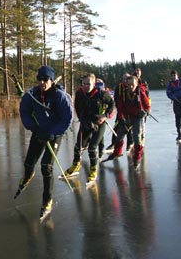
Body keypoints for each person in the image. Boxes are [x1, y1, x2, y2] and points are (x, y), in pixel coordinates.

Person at [17, 65, 73, 218]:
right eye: (40, 79)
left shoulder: (60, 96)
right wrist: (33, 127)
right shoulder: (32, 94)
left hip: (54, 134)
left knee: (46, 166)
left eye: (46, 79)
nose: (42, 82)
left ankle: (46, 200)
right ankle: (27, 176)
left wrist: (53, 132)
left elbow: (67, 118)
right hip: (38, 131)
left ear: (52, 80)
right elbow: (24, 111)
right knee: (28, 163)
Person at [63, 73, 114, 184]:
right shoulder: (80, 93)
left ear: (94, 83)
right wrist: (83, 120)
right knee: (78, 147)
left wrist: (105, 116)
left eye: (89, 84)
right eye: (84, 84)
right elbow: (77, 108)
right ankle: (76, 165)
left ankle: (93, 170)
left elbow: (111, 104)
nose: (86, 86)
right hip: (86, 123)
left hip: (99, 124)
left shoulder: (101, 94)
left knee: (92, 148)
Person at [103, 75, 151, 168]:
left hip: (137, 117)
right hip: (127, 116)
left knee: (136, 137)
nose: (131, 87)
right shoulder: (124, 94)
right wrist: (122, 118)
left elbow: (147, 105)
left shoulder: (140, 92)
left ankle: (137, 157)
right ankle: (117, 152)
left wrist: (146, 112)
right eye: (128, 85)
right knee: (120, 135)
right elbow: (120, 108)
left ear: (136, 84)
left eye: (132, 85)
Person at [166, 70, 181, 142]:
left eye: (174, 75)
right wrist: (173, 98)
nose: (173, 77)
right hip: (176, 101)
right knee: (177, 118)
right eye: (172, 76)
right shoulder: (170, 84)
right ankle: (179, 134)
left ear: (177, 75)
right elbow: (168, 93)